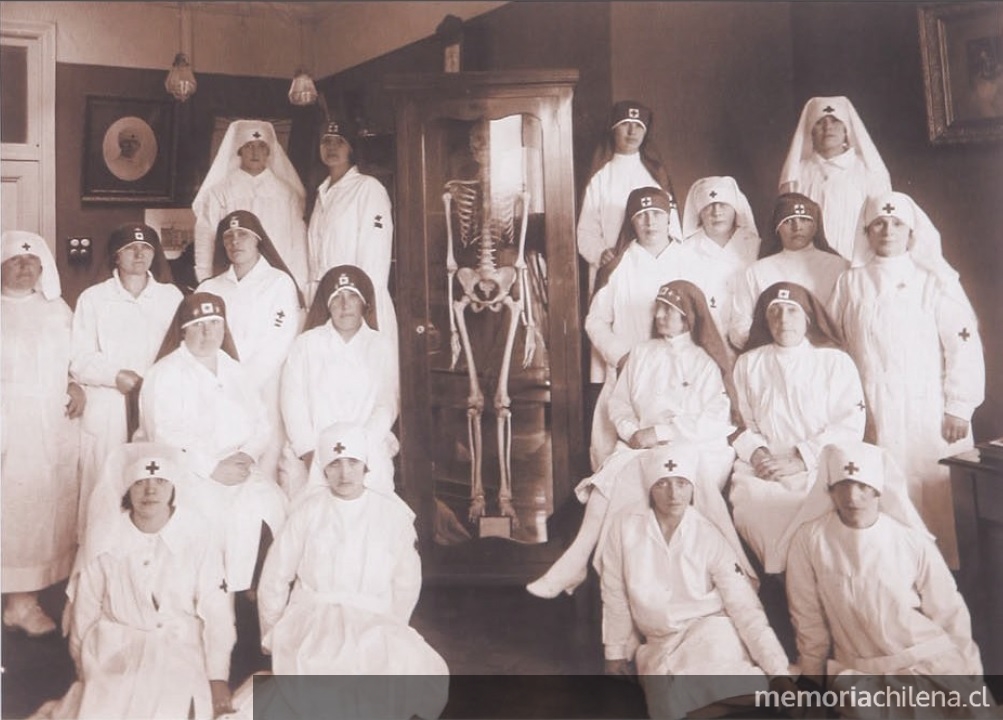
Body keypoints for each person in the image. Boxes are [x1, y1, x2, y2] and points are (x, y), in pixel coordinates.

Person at [528, 280, 735, 598]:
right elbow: (619, 402)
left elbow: (715, 418)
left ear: (688, 318)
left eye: (670, 310)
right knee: (606, 483)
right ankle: (578, 564)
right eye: (659, 309)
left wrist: (662, 433)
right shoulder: (641, 353)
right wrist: (630, 432)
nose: (661, 316)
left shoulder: (703, 362)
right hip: (641, 445)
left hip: (688, 448)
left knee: (646, 482)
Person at [828, 192, 985, 569]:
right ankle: (895, 572)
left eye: (897, 223)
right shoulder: (851, 283)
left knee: (934, 491)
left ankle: (950, 573)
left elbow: (962, 343)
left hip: (928, 407)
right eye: (879, 223)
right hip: (873, 407)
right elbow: (835, 343)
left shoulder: (933, 281)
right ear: (866, 231)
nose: (887, 230)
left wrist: (959, 406)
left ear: (912, 231)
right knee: (886, 488)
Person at [256, 422, 449, 720]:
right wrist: (272, 631)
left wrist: (393, 625)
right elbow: (275, 575)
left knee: (404, 666)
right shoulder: (307, 513)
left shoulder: (392, 516)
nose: (345, 473)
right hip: (313, 616)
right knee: (326, 666)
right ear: (323, 469)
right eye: (334, 464)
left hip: (373, 616)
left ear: (366, 466)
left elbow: (406, 581)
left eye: (353, 462)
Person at [785, 442, 993, 716]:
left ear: (878, 489)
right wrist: (811, 682)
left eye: (862, 486)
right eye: (842, 485)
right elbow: (808, 619)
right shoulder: (809, 540)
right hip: (861, 673)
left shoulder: (910, 539)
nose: (852, 497)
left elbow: (949, 611)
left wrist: (970, 675)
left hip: (927, 659)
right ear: (830, 488)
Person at [35, 442, 236, 720]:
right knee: (109, 702)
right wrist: (83, 667)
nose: (150, 490)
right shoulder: (105, 538)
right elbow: (87, 607)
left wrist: (217, 677)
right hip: (116, 642)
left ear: (174, 489)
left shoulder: (197, 537)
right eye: (140, 483)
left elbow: (217, 613)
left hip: (177, 643)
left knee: (172, 705)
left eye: (160, 482)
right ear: (127, 489)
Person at [600, 444, 795, 720]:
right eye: (662, 484)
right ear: (649, 487)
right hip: (660, 641)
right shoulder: (624, 527)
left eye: (681, 483)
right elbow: (615, 593)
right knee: (666, 705)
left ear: (692, 487)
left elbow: (744, 607)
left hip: (710, 632)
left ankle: (782, 682)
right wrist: (615, 651)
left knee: (741, 685)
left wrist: (777, 670)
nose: (673, 494)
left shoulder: (708, 534)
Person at [138, 292, 287, 595]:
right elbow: (161, 436)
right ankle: (215, 600)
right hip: (190, 471)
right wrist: (212, 468)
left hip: (240, 466)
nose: (208, 333)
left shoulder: (235, 369)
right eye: (199, 325)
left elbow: (261, 422)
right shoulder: (164, 373)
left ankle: (255, 594)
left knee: (271, 506)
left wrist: (246, 455)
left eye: (215, 324)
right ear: (184, 329)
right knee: (211, 518)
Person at [729, 281, 865, 574]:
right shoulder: (748, 363)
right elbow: (740, 422)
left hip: (821, 461)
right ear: (765, 321)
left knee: (822, 509)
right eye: (775, 312)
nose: (783, 319)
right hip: (764, 467)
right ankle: (785, 583)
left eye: (792, 311)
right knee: (756, 505)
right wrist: (758, 455)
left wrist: (801, 458)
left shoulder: (835, 362)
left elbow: (850, 423)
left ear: (807, 318)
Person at [71, 222, 182, 536]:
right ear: (115, 257)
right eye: (130, 249)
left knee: (152, 481)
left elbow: (180, 351)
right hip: (108, 405)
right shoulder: (93, 298)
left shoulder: (170, 297)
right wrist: (114, 375)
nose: (139, 254)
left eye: (146, 248)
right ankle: (96, 565)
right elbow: (78, 357)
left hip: (156, 404)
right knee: (105, 485)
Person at [1, 231, 84, 636]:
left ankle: (22, 602)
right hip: (4, 421)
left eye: (31, 262)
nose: (24, 267)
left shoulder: (57, 311)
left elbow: (75, 358)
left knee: (31, 507)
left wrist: (75, 384)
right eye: (15, 260)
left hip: (45, 425)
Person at [585, 186, 697, 470]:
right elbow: (595, 320)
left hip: (679, 372)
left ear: (669, 217)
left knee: (676, 455)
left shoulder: (691, 259)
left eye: (656, 214)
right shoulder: (619, 266)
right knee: (612, 454)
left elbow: (705, 319)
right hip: (628, 371)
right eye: (641, 215)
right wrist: (621, 356)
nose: (649, 222)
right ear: (631, 221)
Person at [198, 210, 305, 485]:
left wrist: (242, 384)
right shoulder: (210, 288)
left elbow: (278, 340)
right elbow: (199, 343)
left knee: (265, 467)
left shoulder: (279, 283)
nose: (235, 242)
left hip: (265, 390)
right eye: (229, 237)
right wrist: (221, 385)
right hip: (218, 393)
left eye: (243, 234)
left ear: (258, 240)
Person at [279, 264, 398, 499]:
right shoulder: (306, 344)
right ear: (327, 304)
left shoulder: (380, 345)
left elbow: (387, 404)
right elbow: (292, 402)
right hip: (313, 454)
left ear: (364, 303)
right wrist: (310, 452)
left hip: (366, 453)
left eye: (353, 297)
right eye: (337, 298)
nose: (345, 305)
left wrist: (359, 452)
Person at [306, 118, 398, 365]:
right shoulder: (322, 193)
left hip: (357, 302)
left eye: (340, 141)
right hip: (326, 301)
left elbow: (375, 256)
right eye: (326, 141)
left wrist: (361, 306)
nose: (332, 147)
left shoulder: (368, 189)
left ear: (351, 148)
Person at [576, 100, 682, 296]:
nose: (632, 132)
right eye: (625, 124)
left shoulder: (656, 174)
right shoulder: (600, 177)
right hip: (612, 266)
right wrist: (600, 253)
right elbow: (585, 230)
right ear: (613, 129)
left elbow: (674, 228)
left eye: (639, 126)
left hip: (654, 265)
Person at [192, 120, 309, 288]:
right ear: (238, 150)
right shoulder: (219, 192)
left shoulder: (287, 194)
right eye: (248, 146)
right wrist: (205, 278)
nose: (255, 152)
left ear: (269, 151)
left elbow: (298, 243)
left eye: (261, 146)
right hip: (233, 278)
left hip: (277, 278)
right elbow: (206, 235)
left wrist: (299, 282)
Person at [728, 192, 848, 351]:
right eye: (788, 221)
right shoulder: (756, 271)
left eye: (805, 220)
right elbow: (739, 324)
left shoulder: (840, 267)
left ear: (815, 225)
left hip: (827, 357)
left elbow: (849, 321)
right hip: (773, 357)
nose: (797, 227)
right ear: (776, 228)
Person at [778, 96, 891, 260]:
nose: (827, 127)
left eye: (835, 121)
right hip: (807, 264)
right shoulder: (797, 173)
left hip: (856, 263)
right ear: (811, 131)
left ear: (846, 130)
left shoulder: (868, 172)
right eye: (820, 122)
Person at [680, 175, 761, 340]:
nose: (716, 212)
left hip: (749, 338)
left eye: (723, 205)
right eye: (709, 206)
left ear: (735, 208)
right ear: (699, 213)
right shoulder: (684, 250)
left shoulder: (756, 247)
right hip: (701, 340)